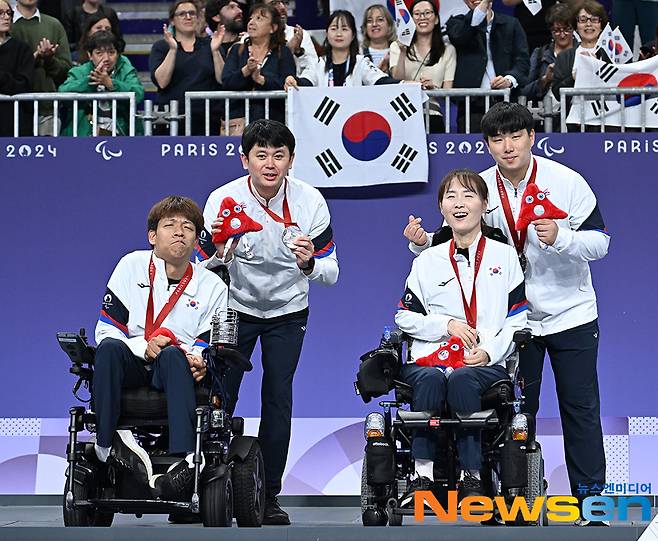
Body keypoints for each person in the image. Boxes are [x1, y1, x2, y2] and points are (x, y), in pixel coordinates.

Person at [404, 102, 609, 526]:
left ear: (531, 137)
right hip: (513, 324)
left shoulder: (565, 182)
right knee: (515, 413)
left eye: (515, 136)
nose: (507, 146)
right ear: (488, 145)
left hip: (570, 314)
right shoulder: (479, 187)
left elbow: (601, 242)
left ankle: (592, 504)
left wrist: (562, 237)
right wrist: (421, 244)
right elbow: (453, 240)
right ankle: (518, 500)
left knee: (581, 408)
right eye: (497, 139)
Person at [196, 119, 339, 525]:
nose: (270, 164)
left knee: (277, 398)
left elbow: (333, 271)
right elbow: (203, 266)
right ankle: (206, 491)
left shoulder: (310, 201)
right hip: (233, 309)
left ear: (291, 160)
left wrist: (309, 263)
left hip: (288, 313)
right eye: (261, 155)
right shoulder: (222, 199)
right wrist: (222, 254)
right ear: (245, 160)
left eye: (279, 155)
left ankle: (267, 495)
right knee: (218, 398)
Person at [396, 169, 527, 504]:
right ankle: (421, 477)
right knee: (428, 380)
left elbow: (517, 320)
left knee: (463, 380)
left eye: (469, 195)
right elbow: (405, 317)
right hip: (432, 358)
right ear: (441, 207)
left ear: (484, 204)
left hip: (483, 362)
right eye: (451, 196)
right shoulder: (427, 261)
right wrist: (446, 325)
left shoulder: (504, 256)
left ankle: (472, 477)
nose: (459, 203)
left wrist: (488, 353)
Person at [93, 195, 228, 501]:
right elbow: (106, 329)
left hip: (175, 368)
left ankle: (188, 459)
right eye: (170, 225)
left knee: (171, 355)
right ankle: (106, 444)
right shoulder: (131, 266)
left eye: (188, 227)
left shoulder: (212, 286)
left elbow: (208, 341)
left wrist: (199, 358)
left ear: (196, 240)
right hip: (131, 363)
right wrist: (144, 348)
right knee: (110, 349)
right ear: (152, 236)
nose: (180, 232)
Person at [445, 0, 529, 132]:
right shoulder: (457, 23)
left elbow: (522, 62)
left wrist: (509, 80)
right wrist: (482, 6)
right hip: (471, 106)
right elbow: (462, 36)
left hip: (505, 102)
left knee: (508, 149)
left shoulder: (511, 24)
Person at [150, 0, 226, 135]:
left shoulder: (211, 44)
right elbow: (162, 82)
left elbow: (223, 79)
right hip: (172, 121)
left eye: (192, 13)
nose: (188, 17)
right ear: (172, 20)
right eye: (182, 14)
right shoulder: (162, 47)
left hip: (208, 121)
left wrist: (215, 51)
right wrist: (173, 50)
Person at [222, 3, 295, 133]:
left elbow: (287, 84)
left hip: (272, 124)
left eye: (259, 19)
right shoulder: (236, 50)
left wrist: (261, 79)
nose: (251, 22)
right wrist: (246, 71)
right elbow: (226, 81)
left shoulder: (283, 53)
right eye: (251, 18)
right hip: (238, 125)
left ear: (273, 28)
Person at [58, 30, 144, 136]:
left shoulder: (125, 70)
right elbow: (63, 93)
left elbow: (138, 94)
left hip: (120, 136)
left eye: (111, 52)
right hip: (83, 137)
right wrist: (90, 81)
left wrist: (112, 85)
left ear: (118, 54)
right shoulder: (79, 72)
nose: (106, 58)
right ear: (90, 55)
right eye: (99, 53)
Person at [283, 10, 396, 89]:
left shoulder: (361, 62)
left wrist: (404, 83)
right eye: (334, 28)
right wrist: (293, 80)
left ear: (353, 35)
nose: (339, 34)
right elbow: (305, 82)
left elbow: (380, 81)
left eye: (344, 29)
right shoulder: (319, 63)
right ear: (327, 34)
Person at [390, 0, 456, 132]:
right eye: (417, 14)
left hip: (433, 114)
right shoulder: (396, 46)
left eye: (427, 13)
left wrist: (433, 88)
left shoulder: (448, 50)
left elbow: (448, 91)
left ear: (436, 19)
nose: (422, 18)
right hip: (404, 113)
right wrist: (403, 52)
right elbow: (396, 78)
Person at [11, 0, 72, 135]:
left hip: (46, 109)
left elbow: (66, 71)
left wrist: (49, 59)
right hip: (10, 108)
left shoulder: (54, 25)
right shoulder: (5, 24)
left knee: (49, 155)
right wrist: (33, 59)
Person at [551, 0, 609, 103]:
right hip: (575, 116)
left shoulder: (611, 54)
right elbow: (557, 93)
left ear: (601, 26)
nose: (588, 24)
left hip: (607, 115)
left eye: (594, 20)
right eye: (583, 20)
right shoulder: (564, 57)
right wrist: (573, 78)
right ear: (576, 26)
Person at [522, 3, 574, 104]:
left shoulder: (581, 52)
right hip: (545, 114)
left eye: (567, 29)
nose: (562, 35)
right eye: (557, 31)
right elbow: (524, 91)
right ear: (550, 30)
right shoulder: (539, 54)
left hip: (574, 113)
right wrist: (545, 79)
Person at [0, 0, 34, 137]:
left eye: (9, 13)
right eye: (0, 13)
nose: (7, 17)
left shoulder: (22, 49)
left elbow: (23, 85)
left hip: (13, 124)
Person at [264, 0, 319, 76]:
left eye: (285, 2)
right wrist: (287, 52)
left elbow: (314, 72)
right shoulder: (250, 38)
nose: (282, 7)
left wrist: (299, 52)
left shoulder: (299, 35)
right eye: (274, 3)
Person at [360, 3, 395, 72]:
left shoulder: (398, 52)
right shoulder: (359, 53)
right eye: (369, 21)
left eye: (380, 20)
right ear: (365, 27)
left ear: (389, 25)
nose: (374, 24)